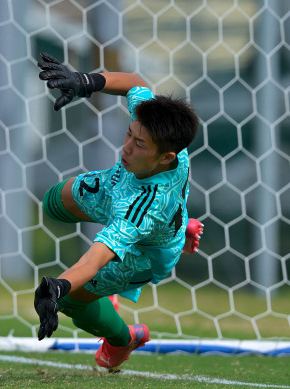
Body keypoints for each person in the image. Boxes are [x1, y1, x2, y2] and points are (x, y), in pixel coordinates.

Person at [34, 52, 203, 370]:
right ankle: (178, 227)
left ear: (166, 158)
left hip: (142, 255)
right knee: (54, 203)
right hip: (117, 188)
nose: (126, 147)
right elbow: (136, 84)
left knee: (74, 299)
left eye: (139, 145)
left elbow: (94, 259)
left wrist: (58, 287)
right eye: (130, 134)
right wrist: (85, 81)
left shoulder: (141, 210)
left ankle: (124, 340)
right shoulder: (159, 130)